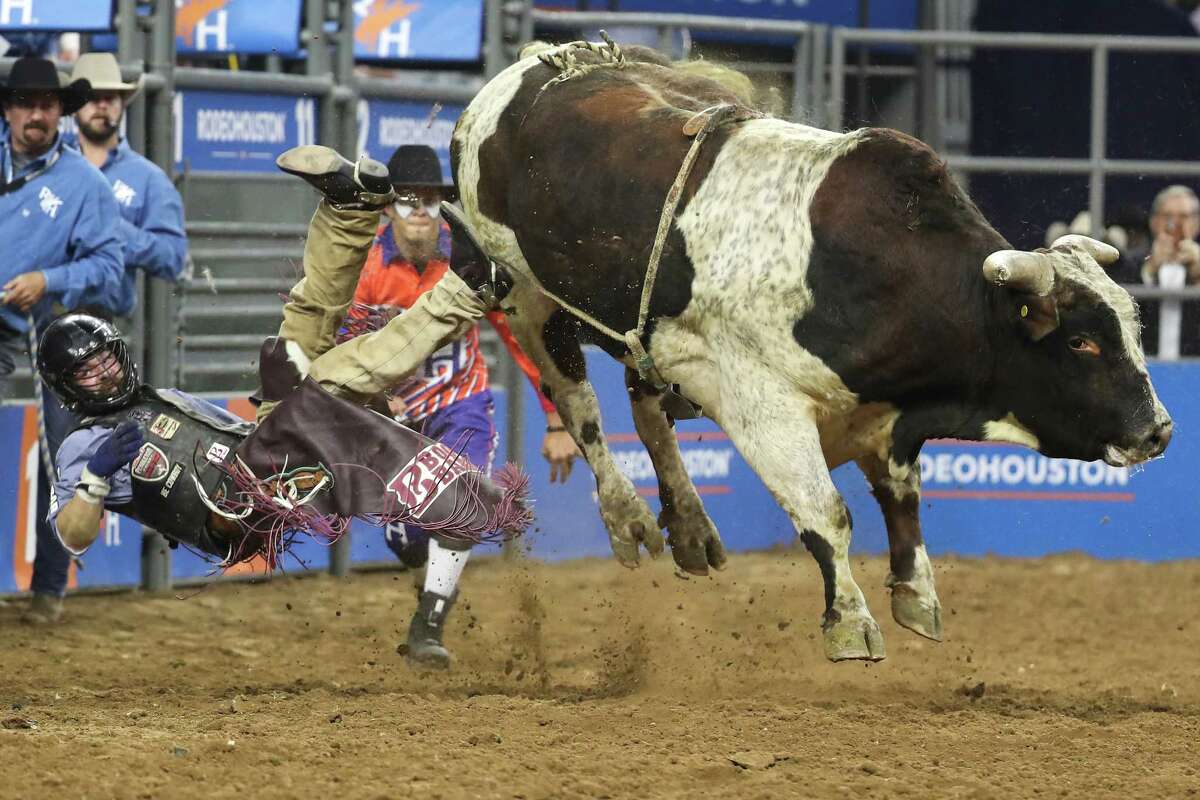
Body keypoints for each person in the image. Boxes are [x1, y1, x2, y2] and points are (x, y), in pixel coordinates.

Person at [39, 145, 524, 616]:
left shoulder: (158, 398)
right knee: (327, 386)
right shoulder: (83, 444)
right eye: (87, 369)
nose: (105, 370)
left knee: (301, 331)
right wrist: (94, 479)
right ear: (68, 387)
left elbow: (232, 434)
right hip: (233, 510)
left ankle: (350, 214)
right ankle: (467, 292)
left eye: (106, 357)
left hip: (259, 464)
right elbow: (71, 534)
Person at [344, 144, 578, 669]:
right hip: (392, 424)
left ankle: (427, 627)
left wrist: (558, 418)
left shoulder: (469, 260)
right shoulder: (365, 270)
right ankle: (426, 571)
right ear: (389, 210)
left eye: (430, 201)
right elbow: (339, 345)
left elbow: (523, 335)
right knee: (407, 539)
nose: (422, 214)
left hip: (461, 405)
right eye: (408, 202)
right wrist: (374, 399)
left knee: (462, 500)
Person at [0, 56, 124, 624]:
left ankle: (50, 588)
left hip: (54, 329)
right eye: (25, 102)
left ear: (61, 114)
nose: (36, 114)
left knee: (65, 452)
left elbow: (111, 266)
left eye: (47, 105)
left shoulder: (84, 183)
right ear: (8, 109)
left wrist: (48, 280)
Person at [69, 52, 188, 317]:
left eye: (110, 98)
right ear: (75, 106)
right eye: (92, 97)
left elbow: (173, 258)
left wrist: (113, 229)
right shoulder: (52, 166)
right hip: (40, 314)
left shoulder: (149, 178)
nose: (101, 106)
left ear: (121, 104)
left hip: (103, 320)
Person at [1138, 185, 1200, 356]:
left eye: (1184, 216)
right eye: (1168, 216)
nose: (1175, 224)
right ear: (1154, 221)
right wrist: (1150, 268)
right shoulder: (1135, 263)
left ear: (1196, 223)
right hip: (1145, 371)